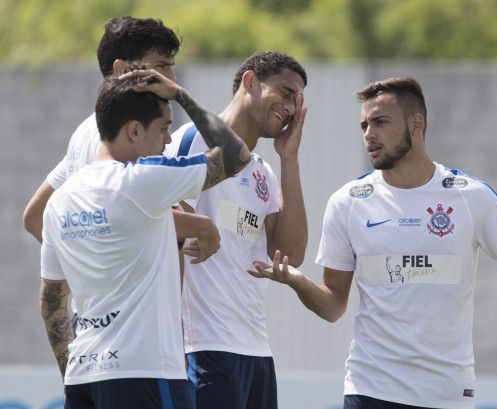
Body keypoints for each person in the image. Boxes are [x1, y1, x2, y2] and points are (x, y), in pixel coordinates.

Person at [248, 77, 497, 409]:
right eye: (364, 126)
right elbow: (333, 304)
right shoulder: (348, 202)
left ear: (416, 125)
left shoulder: (470, 197)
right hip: (370, 388)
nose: (369, 134)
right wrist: (297, 281)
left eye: (381, 122)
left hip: (446, 393)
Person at [40, 70, 250, 408]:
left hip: (83, 381)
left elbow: (50, 300)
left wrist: (74, 375)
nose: (168, 141)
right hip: (146, 375)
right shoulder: (141, 180)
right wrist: (180, 94)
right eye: (164, 128)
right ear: (134, 130)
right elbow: (235, 155)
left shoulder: (60, 201)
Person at [164, 51, 309, 409]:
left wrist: (288, 159)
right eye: (286, 92)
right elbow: (163, 236)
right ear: (250, 82)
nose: (291, 108)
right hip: (204, 348)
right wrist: (173, 350)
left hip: (257, 352)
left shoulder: (264, 171)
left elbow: (288, 256)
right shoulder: (192, 142)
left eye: (298, 101)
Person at [23, 16, 220, 260]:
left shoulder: (87, 130)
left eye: (171, 65)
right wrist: (201, 226)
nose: (172, 78)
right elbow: (121, 207)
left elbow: (33, 215)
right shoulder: (125, 138)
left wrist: (73, 269)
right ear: (122, 70)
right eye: (161, 66)